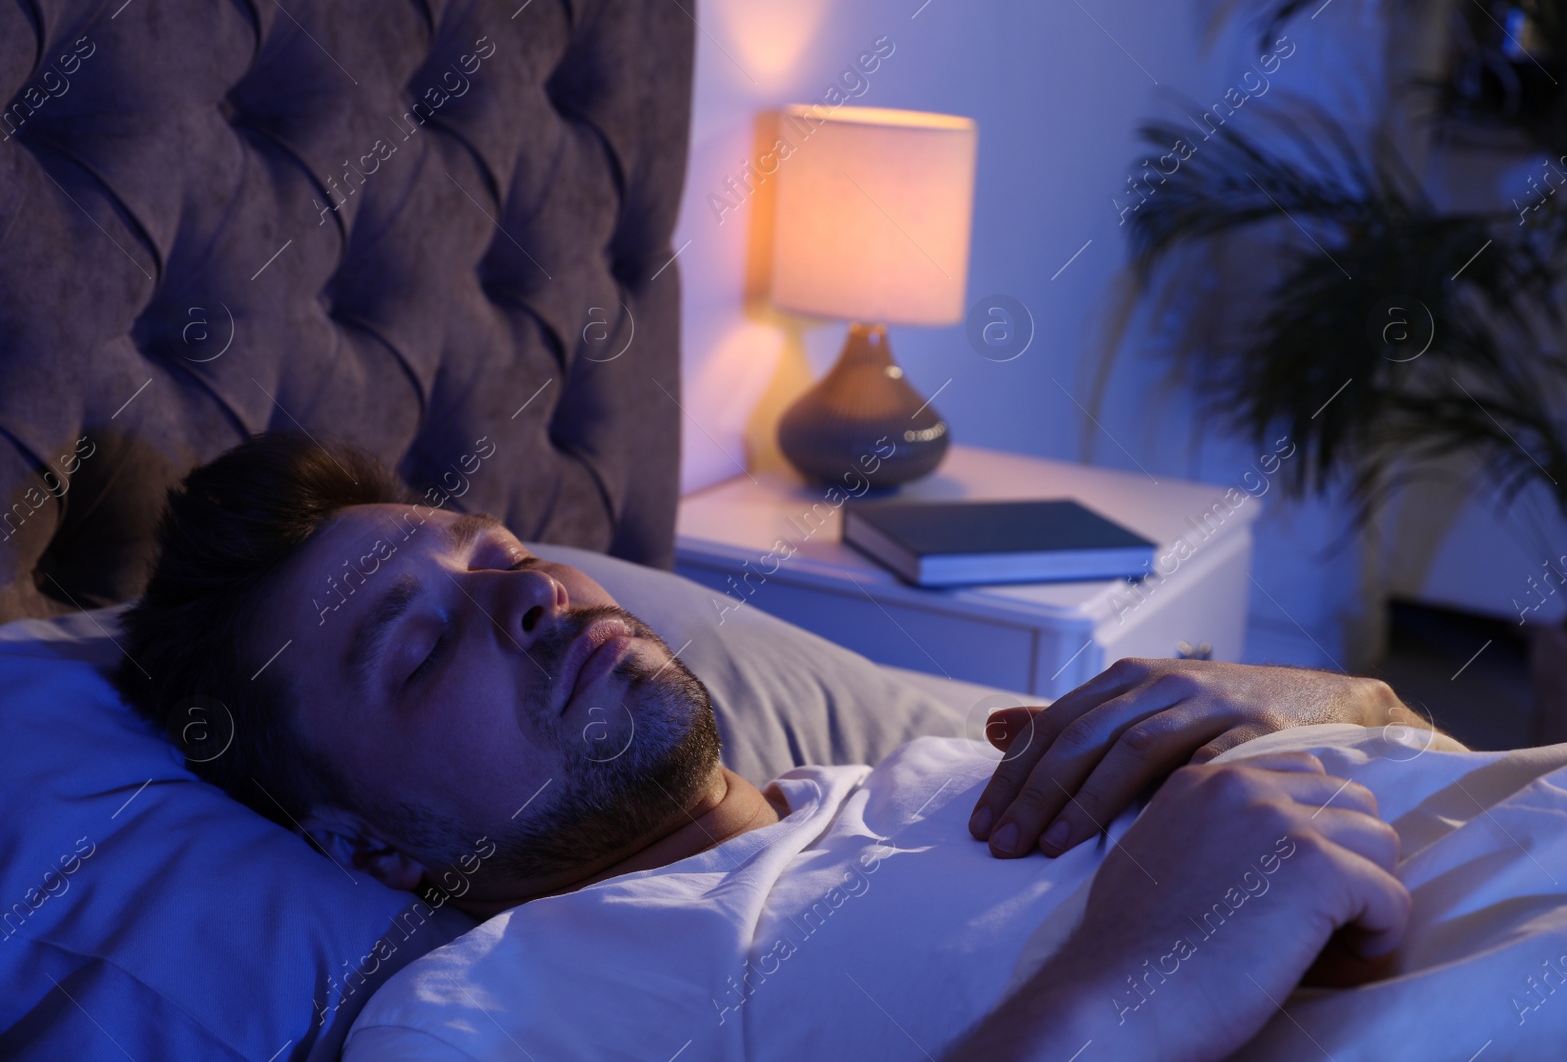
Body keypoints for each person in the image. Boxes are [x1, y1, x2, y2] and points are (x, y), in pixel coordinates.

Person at [112, 433, 1444, 1061]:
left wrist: (1316, 714)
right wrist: (1150, 979)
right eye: (419, 645)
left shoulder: (937, 771)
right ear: (368, 845)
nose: (532, 594)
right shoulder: (487, 1018)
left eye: (509, 556)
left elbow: (1427, 756)